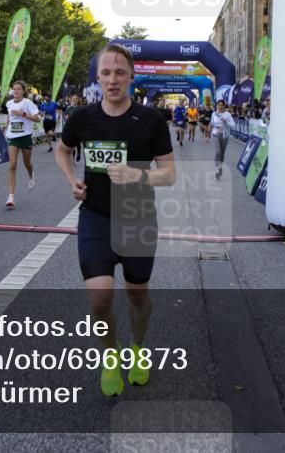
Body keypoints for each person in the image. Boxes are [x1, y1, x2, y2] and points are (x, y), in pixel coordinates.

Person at [55, 43, 175, 396]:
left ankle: (137, 349)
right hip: (95, 217)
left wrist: (136, 175)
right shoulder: (82, 119)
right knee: (99, 298)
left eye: (120, 72)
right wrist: (71, 180)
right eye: (106, 73)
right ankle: (111, 357)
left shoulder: (150, 119)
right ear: (97, 78)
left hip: (137, 217)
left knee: (137, 293)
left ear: (131, 77)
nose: (112, 79)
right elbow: (63, 151)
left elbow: (169, 174)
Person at [4, 81, 41, 209]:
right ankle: (11, 197)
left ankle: (31, 175)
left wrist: (23, 114)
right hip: (12, 137)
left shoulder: (28, 103)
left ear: (23, 91)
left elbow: (37, 119)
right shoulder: (9, 103)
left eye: (19, 89)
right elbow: (10, 116)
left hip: (25, 137)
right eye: (14, 89)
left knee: (27, 163)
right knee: (12, 165)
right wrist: (6, 125)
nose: (16, 91)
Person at [210, 100, 236, 179]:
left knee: (222, 154)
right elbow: (211, 122)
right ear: (216, 106)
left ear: (224, 106)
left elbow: (233, 125)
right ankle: (217, 169)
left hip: (224, 135)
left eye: (222, 105)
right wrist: (209, 126)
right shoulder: (214, 114)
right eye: (219, 105)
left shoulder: (227, 114)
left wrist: (226, 122)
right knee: (218, 152)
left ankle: (220, 167)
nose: (220, 107)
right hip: (215, 134)